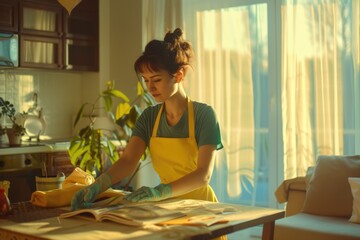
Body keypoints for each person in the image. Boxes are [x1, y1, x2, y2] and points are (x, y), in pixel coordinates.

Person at [71, 28, 223, 210]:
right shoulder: (149, 118)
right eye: (146, 80)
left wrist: (160, 191)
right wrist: (98, 185)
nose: (150, 87)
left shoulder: (204, 115)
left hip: (202, 208)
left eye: (156, 79)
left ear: (179, 75)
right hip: (168, 209)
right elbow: (128, 160)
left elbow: (203, 175)